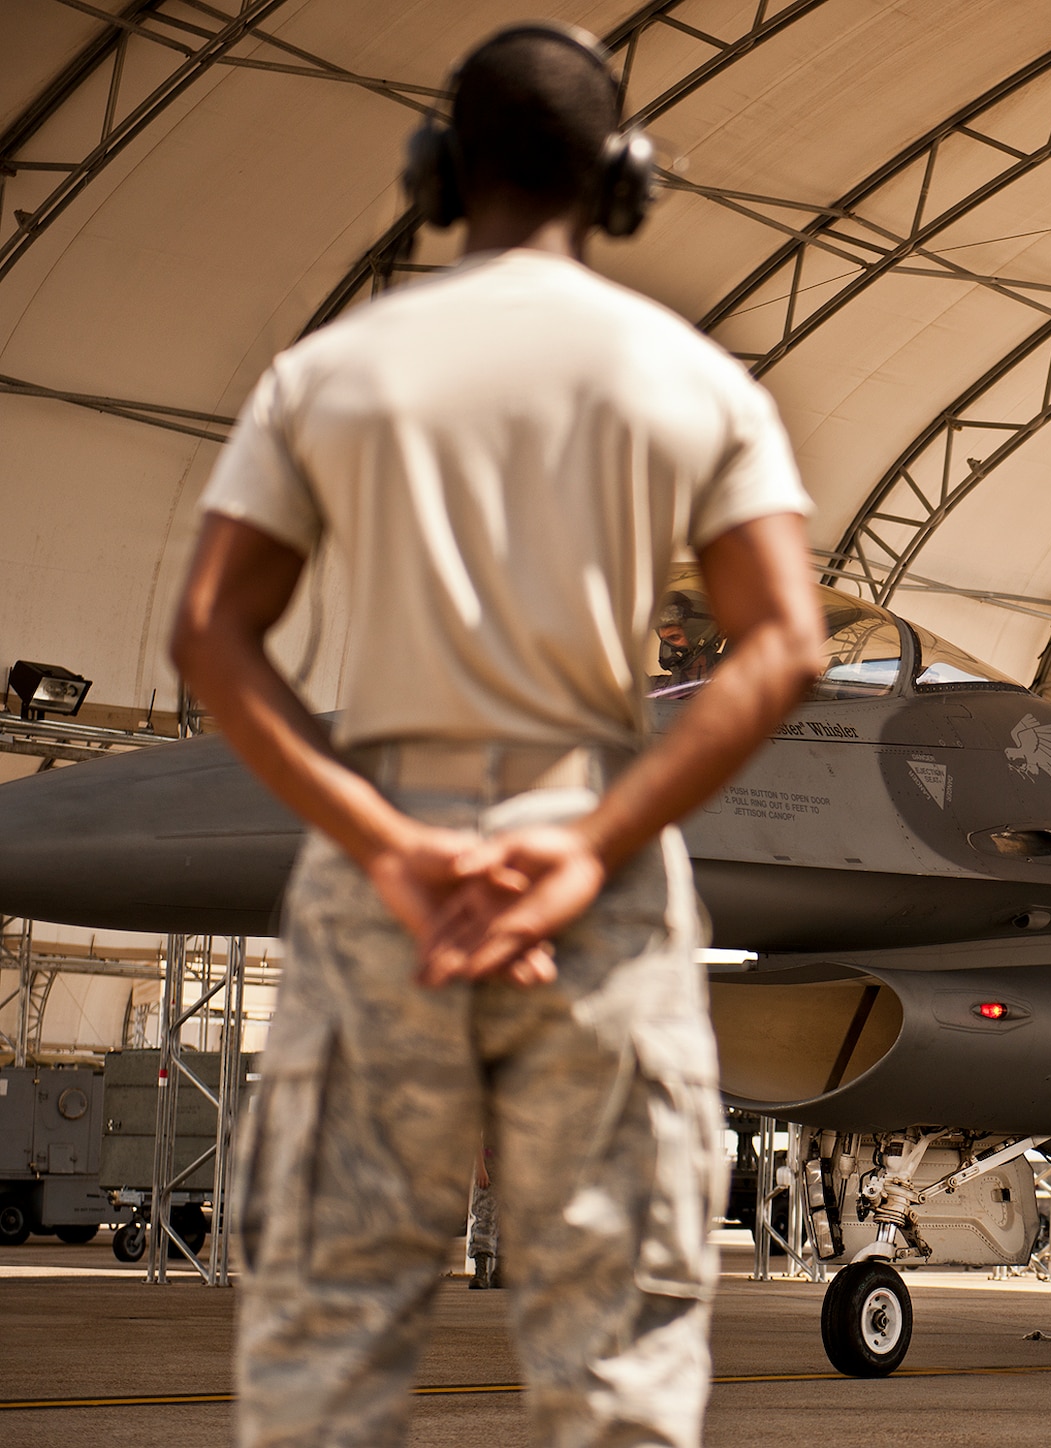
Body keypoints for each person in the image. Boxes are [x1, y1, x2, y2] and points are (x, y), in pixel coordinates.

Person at [169, 22, 822, 1447]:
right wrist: (588, 852)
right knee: (617, 1369)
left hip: (380, 884)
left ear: (438, 172)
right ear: (623, 180)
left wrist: (393, 849)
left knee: (328, 1354)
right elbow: (784, 643)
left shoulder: (328, 374)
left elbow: (212, 632)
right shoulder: (691, 381)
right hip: (593, 869)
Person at [467, 1140, 500, 1290]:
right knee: (484, 1215)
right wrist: (480, 1167)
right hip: (489, 1162)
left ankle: (500, 1270)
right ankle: (481, 1270)